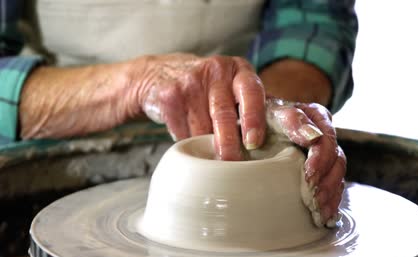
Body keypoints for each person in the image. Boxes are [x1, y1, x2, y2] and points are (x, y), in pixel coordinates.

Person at [0, 0, 357, 225]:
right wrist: (134, 85)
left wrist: (267, 113)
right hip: (57, 129)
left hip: (237, 113)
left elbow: (312, 18)